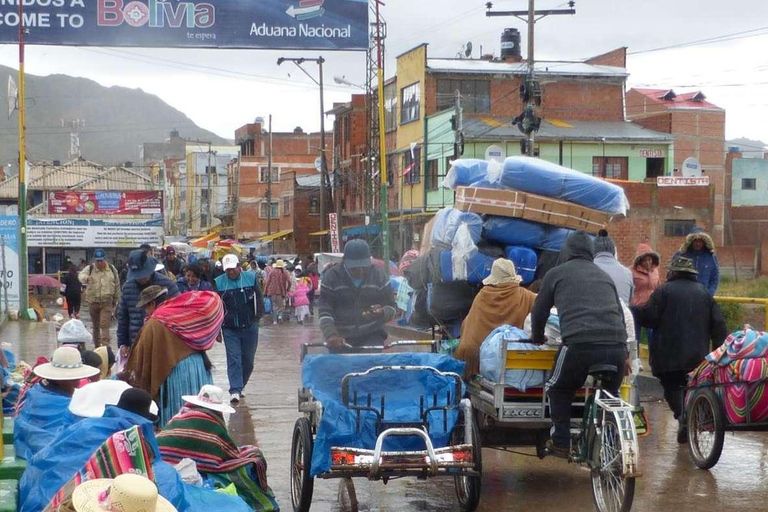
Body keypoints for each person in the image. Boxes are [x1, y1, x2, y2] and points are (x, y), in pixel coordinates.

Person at [530, 232, 628, 459]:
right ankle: (610, 443)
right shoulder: (604, 276)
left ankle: (561, 442)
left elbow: (539, 311)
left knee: (558, 388)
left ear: (566, 251)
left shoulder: (556, 274)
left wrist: (537, 337)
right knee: (610, 395)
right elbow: (620, 315)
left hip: (580, 345)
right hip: (616, 346)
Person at [633, 255, 728, 443]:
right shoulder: (703, 293)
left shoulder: (663, 291)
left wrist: (633, 310)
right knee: (691, 388)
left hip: (668, 355)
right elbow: (719, 325)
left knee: (671, 388)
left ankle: (683, 417)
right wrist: (718, 353)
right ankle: (690, 418)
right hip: (697, 356)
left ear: (674, 272)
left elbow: (650, 318)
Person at [157, 385, 279, 511]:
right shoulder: (209, 422)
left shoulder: (181, 414)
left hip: (165, 462)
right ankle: (260, 503)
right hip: (194, 467)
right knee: (249, 462)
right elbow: (227, 453)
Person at [123, 288, 220, 426]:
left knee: (176, 414)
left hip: (174, 372)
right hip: (199, 368)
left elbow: (141, 357)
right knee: (198, 412)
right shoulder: (184, 313)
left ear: (152, 303)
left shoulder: (156, 322)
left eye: (146, 307)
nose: (146, 311)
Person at [13, 346, 100, 460]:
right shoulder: (49, 400)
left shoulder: (38, 389)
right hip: (47, 450)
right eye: (74, 379)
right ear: (60, 379)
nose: (77, 383)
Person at [455, 259, 537, 377]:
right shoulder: (527, 296)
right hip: (511, 358)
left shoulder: (483, 295)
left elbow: (467, 324)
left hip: (474, 358)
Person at [319, 240, 397, 352]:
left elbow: (392, 307)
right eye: (354, 268)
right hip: (341, 336)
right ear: (344, 261)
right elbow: (325, 311)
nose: (360, 271)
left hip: (372, 334)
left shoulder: (379, 276)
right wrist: (330, 335)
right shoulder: (331, 277)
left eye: (364, 267)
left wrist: (383, 312)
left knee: (371, 363)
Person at [215, 254, 264, 404]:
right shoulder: (218, 283)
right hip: (229, 328)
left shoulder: (251, 278)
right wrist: (217, 329)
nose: (230, 272)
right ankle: (235, 389)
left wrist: (257, 318)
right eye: (227, 270)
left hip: (250, 325)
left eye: (233, 269)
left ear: (239, 267)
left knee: (248, 360)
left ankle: (241, 384)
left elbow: (259, 299)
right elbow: (216, 308)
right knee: (234, 358)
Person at [117, 250, 180, 361]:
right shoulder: (127, 288)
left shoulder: (167, 285)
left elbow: (179, 314)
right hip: (137, 344)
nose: (141, 278)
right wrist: (123, 343)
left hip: (163, 346)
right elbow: (123, 318)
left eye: (143, 274)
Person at [78, 248, 121, 348]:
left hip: (107, 302)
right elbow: (80, 275)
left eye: (101, 260)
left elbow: (117, 285)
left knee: (104, 324)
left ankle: (106, 347)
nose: (99, 263)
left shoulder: (111, 269)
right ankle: (97, 346)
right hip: (93, 302)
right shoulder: (90, 268)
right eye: (97, 261)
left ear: (105, 260)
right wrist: (86, 278)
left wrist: (116, 300)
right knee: (95, 326)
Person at [630, 242, 661, 362]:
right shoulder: (631, 272)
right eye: (645, 260)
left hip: (651, 307)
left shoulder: (655, 271)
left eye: (650, 259)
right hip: (636, 307)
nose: (648, 262)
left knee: (652, 334)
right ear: (640, 260)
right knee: (635, 335)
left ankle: (654, 359)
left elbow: (658, 287)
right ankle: (635, 360)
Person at [592, 230, 634, 304]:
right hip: (621, 314)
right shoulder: (627, 273)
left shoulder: (586, 270)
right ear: (613, 250)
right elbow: (630, 300)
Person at [677, 226, 720, 296]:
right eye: (695, 241)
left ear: (704, 242)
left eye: (700, 241)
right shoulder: (681, 255)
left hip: (703, 297)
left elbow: (715, 278)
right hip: (684, 296)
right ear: (691, 241)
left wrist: (709, 294)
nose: (698, 244)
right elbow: (672, 274)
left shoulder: (711, 257)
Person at [263, 259, 291, 325]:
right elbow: (289, 282)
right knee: (281, 306)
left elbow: (268, 282)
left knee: (274, 306)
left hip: (271, 291)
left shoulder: (272, 272)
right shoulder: (285, 272)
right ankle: (280, 316)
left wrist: (265, 292)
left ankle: (274, 321)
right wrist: (287, 289)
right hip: (281, 291)